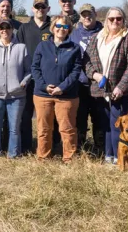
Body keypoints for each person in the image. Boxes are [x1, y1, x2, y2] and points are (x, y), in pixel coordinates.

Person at [85, 7, 128, 165]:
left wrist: (121, 87)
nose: (115, 21)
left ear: (123, 20)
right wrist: (95, 75)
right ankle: (108, 156)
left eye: (119, 18)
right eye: (111, 19)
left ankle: (120, 158)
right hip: (100, 90)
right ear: (106, 21)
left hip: (120, 91)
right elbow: (86, 61)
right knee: (105, 124)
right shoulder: (97, 38)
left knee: (117, 124)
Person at [31, 15, 82, 163]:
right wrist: (44, 86)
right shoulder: (42, 46)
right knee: (44, 129)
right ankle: (44, 157)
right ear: (53, 28)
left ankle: (69, 159)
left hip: (66, 96)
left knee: (67, 129)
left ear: (69, 30)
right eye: (58, 26)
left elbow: (76, 71)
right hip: (42, 95)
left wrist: (62, 87)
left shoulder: (74, 48)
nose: (61, 29)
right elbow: (35, 68)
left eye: (65, 27)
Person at [0, 19, 30, 159]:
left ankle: (14, 154)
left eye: (7, 27)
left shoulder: (21, 48)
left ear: (12, 29)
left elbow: (29, 70)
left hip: (17, 95)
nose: (5, 30)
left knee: (14, 128)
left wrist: (23, 83)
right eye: (1, 28)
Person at [15, 0, 53, 154]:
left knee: (48, 115)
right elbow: (17, 52)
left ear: (48, 9)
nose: (40, 9)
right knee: (26, 114)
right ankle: (26, 146)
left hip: (48, 78)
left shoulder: (53, 27)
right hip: (28, 78)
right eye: (37, 7)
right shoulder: (24, 28)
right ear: (32, 9)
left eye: (43, 7)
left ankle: (50, 145)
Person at [69, 3, 105, 153]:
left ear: (95, 14)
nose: (87, 17)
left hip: (99, 83)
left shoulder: (104, 32)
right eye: (84, 15)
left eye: (90, 14)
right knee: (80, 117)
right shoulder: (74, 34)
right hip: (80, 83)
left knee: (99, 118)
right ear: (81, 17)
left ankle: (99, 148)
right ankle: (81, 147)